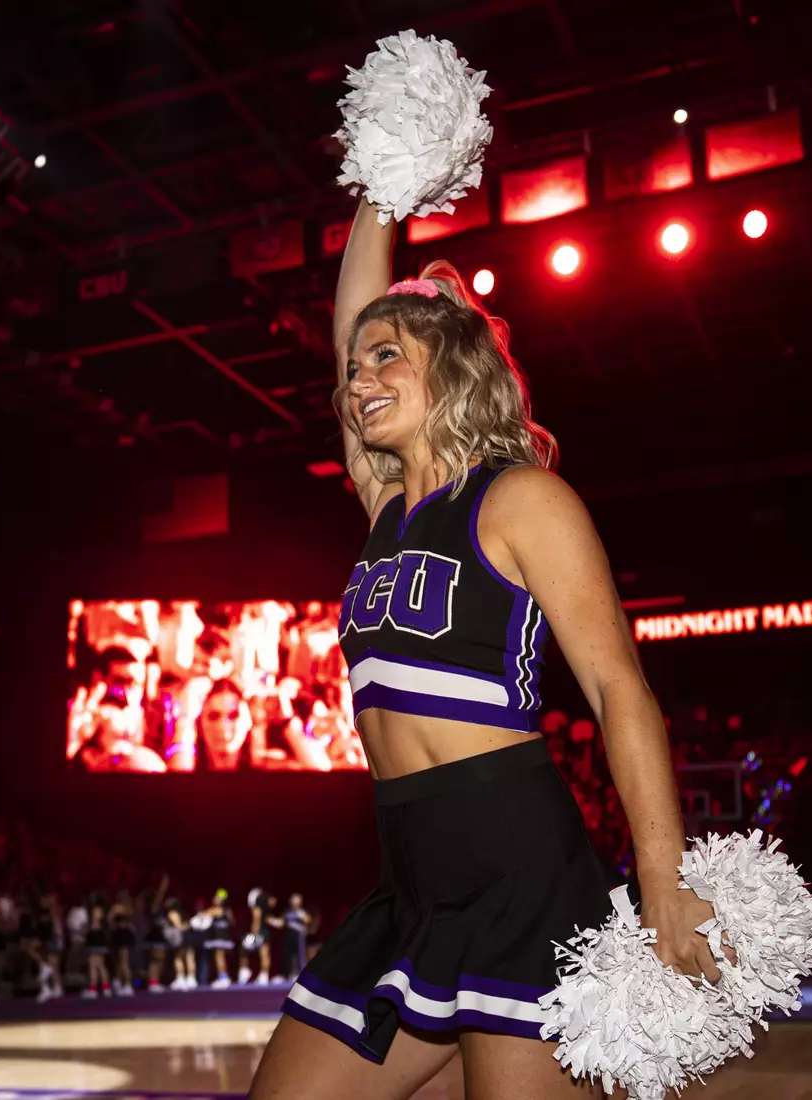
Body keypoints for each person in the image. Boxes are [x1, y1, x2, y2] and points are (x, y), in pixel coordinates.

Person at [248, 203, 715, 1100]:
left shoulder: (523, 501)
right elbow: (349, 322)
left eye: (389, 358)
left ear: (453, 369)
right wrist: (382, 188)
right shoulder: (384, 505)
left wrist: (663, 880)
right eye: (354, 369)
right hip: (409, 876)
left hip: (518, 871)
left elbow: (620, 690)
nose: (361, 378)